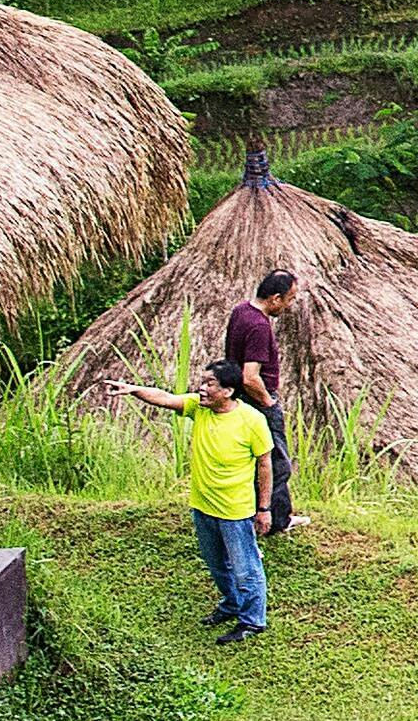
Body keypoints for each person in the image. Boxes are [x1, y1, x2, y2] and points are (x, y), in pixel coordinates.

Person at [120, 375, 273, 639]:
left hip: (234, 510)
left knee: (246, 569)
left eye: (210, 383)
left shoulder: (252, 420)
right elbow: (165, 398)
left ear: (228, 390)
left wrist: (264, 508)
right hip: (203, 506)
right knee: (217, 565)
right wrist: (133, 389)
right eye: (203, 382)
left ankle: (252, 621)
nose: (202, 388)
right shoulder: (199, 408)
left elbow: (265, 464)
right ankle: (232, 604)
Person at [220, 256, 298, 536]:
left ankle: (264, 514)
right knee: (276, 460)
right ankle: (276, 519)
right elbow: (250, 375)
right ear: (275, 298)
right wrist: (268, 401)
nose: (289, 305)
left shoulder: (241, 311)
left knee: (251, 460)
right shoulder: (259, 326)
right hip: (256, 399)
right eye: (289, 299)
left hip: (241, 399)